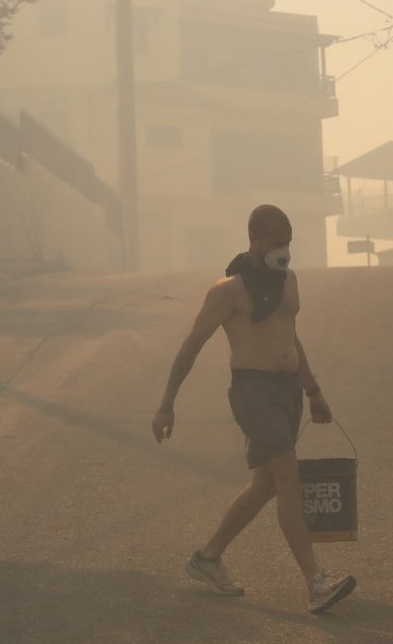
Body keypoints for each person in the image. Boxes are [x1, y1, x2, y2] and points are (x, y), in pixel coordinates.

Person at [151, 203, 358, 614]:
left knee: (266, 486)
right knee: (288, 479)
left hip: (286, 390)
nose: (284, 252)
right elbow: (192, 345)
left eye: (289, 244)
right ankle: (315, 583)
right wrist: (167, 404)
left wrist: (313, 391)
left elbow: (291, 339)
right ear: (254, 240)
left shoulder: (288, 280)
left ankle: (207, 559)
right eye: (277, 244)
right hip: (254, 392)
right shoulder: (228, 291)